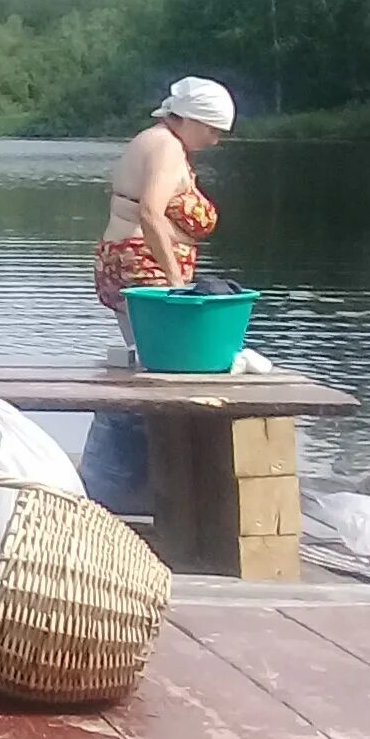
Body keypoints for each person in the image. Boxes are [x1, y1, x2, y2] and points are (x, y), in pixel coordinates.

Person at [80, 76, 233, 511]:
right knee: (159, 370)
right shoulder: (166, 146)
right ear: (189, 119)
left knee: (145, 362)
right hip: (142, 265)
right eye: (212, 130)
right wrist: (176, 283)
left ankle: (128, 478)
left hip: (123, 258)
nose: (216, 141)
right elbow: (150, 210)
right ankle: (141, 484)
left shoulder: (153, 141)